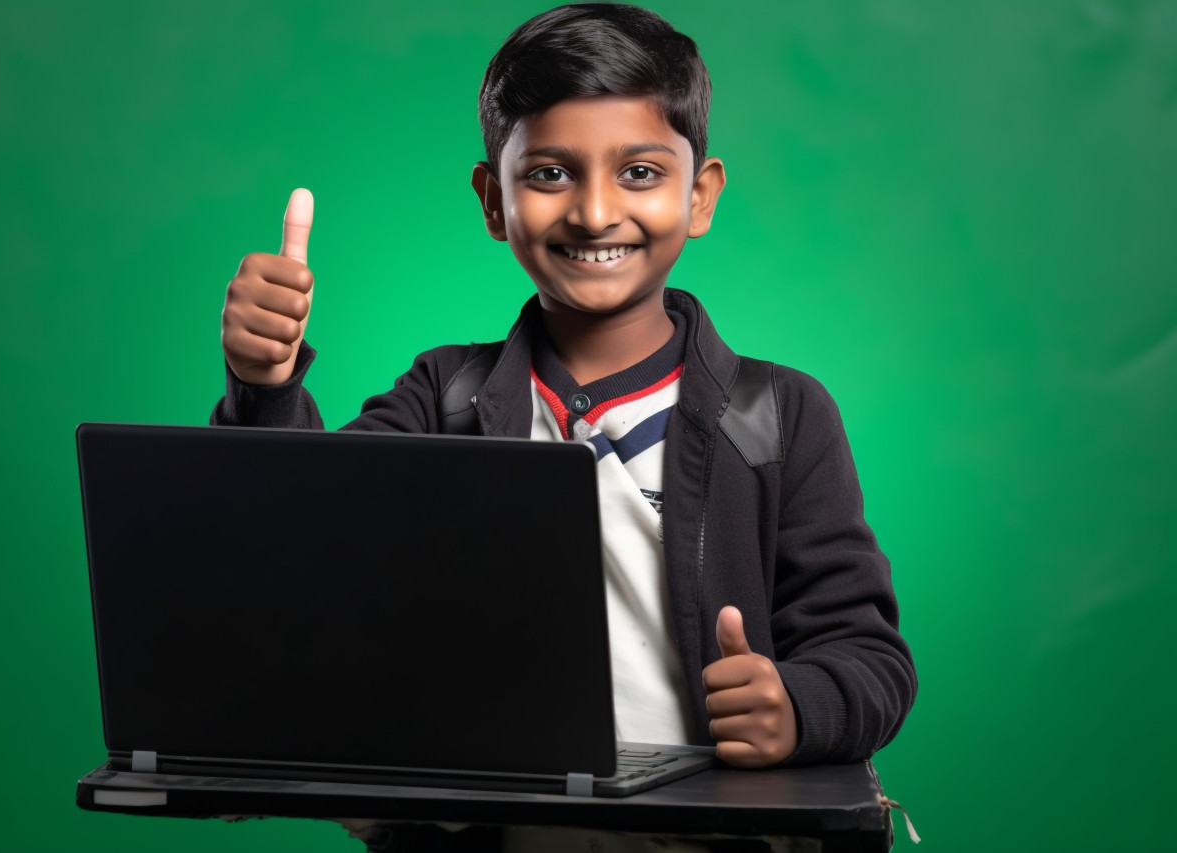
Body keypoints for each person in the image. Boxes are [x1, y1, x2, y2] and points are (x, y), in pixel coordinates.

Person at [212, 3, 915, 849]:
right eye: (549, 174)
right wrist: (266, 382)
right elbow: (299, 553)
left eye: (641, 173)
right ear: (493, 200)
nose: (593, 212)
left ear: (700, 196)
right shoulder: (446, 397)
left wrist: (796, 708)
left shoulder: (783, 414)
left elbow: (870, 659)